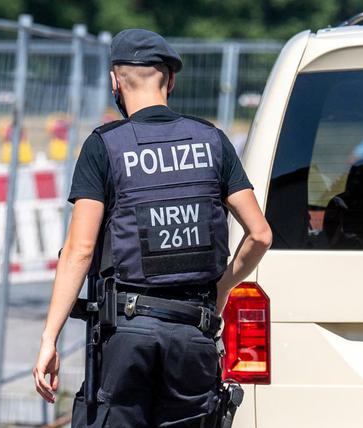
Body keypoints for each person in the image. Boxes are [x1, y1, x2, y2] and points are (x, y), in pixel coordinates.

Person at [31, 29, 272, 427]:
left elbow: (80, 250)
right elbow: (260, 234)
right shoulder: (212, 142)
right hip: (194, 334)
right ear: (170, 80)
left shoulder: (105, 146)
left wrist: (49, 339)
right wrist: (221, 289)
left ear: (115, 81)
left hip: (127, 334)